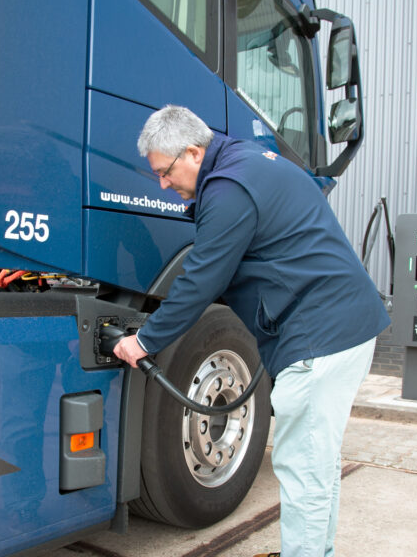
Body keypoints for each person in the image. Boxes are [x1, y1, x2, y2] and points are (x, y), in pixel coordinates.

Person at [113, 105, 390, 557]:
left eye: (164, 172)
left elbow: (203, 278)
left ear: (193, 153)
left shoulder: (228, 189)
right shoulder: (249, 160)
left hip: (322, 337)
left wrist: (143, 340)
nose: (164, 184)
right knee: (317, 464)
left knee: (305, 467)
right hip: (342, 326)